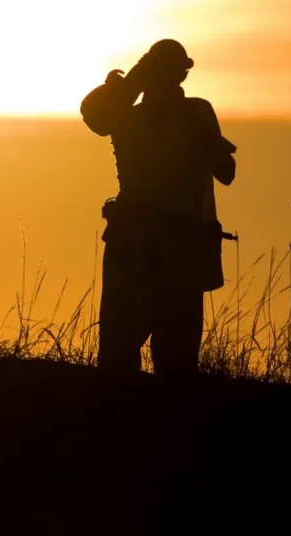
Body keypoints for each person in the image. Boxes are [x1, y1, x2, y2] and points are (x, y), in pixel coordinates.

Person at [81, 39, 237, 376]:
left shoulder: (189, 113)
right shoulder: (145, 115)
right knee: (126, 351)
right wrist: (134, 80)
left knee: (165, 353)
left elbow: (226, 172)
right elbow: (94, 115)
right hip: (143, 241)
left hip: (165, 243)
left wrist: (133, 80)